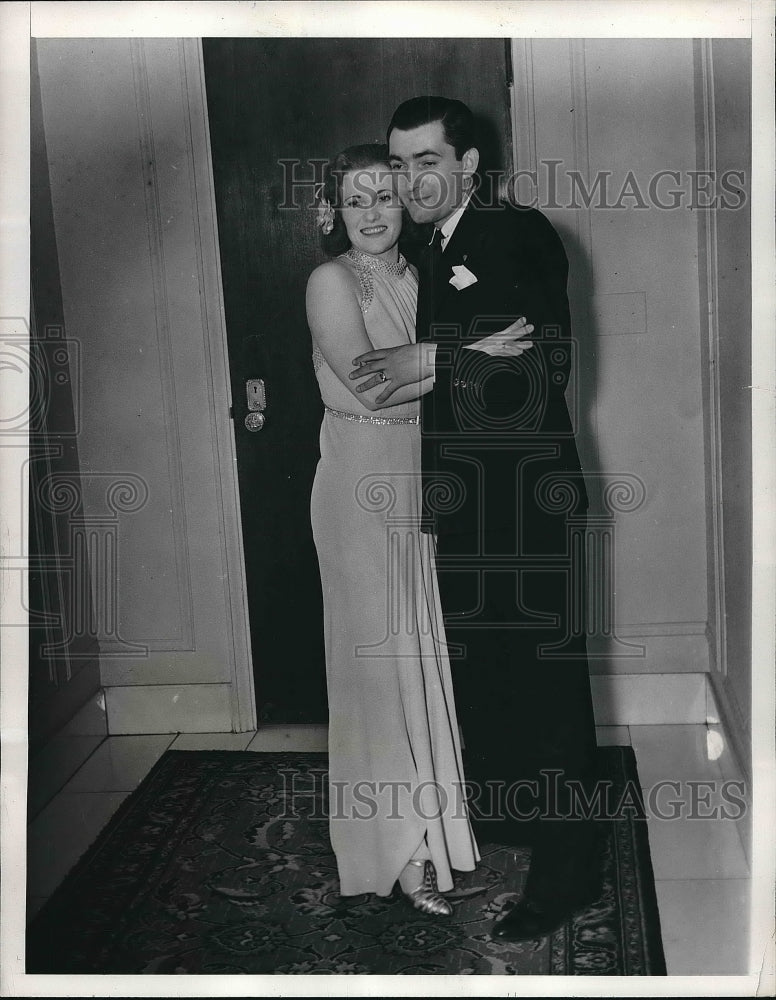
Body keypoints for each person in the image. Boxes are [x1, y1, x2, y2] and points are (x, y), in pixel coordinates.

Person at [350, 98, 603, 942]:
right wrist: (463, 353)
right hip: (465, 504)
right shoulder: (431, 245)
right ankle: (521, 821)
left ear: (467, 166)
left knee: (548, 688)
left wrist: (434, 359)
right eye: (400, 162)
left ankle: (568, 876)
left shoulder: (515, 230)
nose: (411, 179)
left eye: (427, 161)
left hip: (524, 501)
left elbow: (544, 362)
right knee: (491, 675)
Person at [306, 143, 532, 915]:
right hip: (359, 483)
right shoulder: (330, 281)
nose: (372, 213)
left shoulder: (425, 274)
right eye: (356, 199)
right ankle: (394, 854)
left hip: (424, 478)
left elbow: (460, 378)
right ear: (335, 210)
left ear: (406, 203)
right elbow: (372, 386)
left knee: (423, 656)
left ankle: (437, 837)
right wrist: (473, 356)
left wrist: (449, 362)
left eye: (386, 197)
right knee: (376, 667)